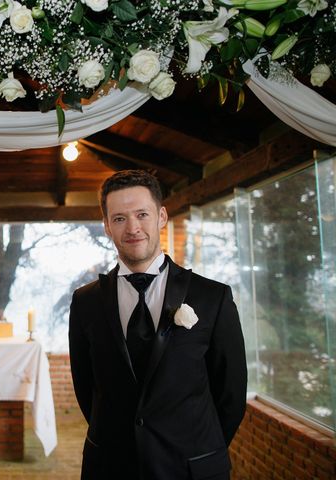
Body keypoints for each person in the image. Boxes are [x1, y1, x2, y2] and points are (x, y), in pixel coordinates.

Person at [69, 170, 247, 480]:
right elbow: (86, 389)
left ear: (161, 216)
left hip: (191, 467)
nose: (133, 228)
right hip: (111, 466)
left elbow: (230, 394)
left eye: (142, 214)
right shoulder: (86, 302)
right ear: (107, 227)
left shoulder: (212, 297)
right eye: (120, 218)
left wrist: (200, 451)